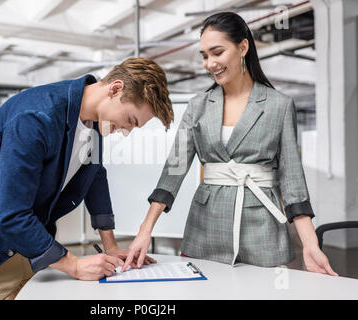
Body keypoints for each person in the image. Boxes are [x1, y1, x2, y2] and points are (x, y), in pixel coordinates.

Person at [0, 57, 173, 299]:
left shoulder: (95, 123)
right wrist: (74, 265)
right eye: (130, 120)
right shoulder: (37, 115)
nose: (127, 131)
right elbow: (10, 215)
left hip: (26, 243)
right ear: (115, 89)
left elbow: (96, 176)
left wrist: (111, 246)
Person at [122, 12, 338, 277]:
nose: (210, 63)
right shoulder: (197, 106)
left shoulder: (278, 106)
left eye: (217, 52)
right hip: (205, 226)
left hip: (262, 227)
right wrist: (145, 231)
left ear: (243, 47)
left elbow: (293, 184)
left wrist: (311, 245)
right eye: (204, 55)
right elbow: (173, 171)